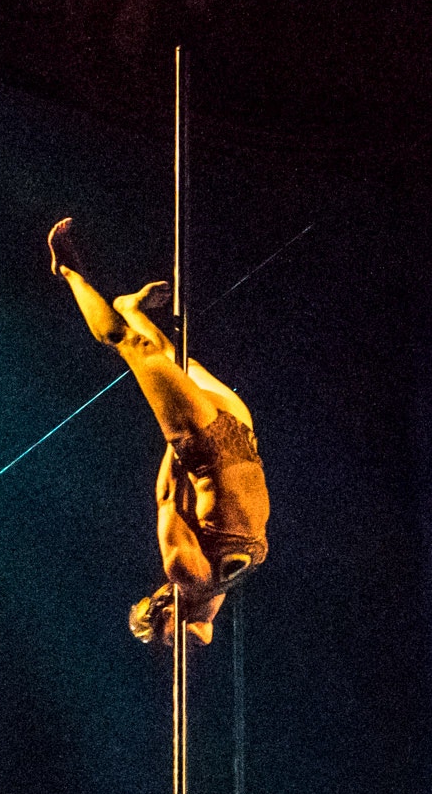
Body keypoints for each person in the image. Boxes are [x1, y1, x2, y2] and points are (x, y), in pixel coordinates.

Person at [48, 219, 268, 647]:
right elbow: (203, 633)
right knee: (171, 360)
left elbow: (166, 499)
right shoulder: (208, 598)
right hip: (241, 436)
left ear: (162, 610)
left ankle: (71, 274)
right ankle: (117, 300)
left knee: (139, 347)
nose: (177, 642)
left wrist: (179, 443)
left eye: (168, 638)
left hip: (206, 445)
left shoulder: (186, 574)